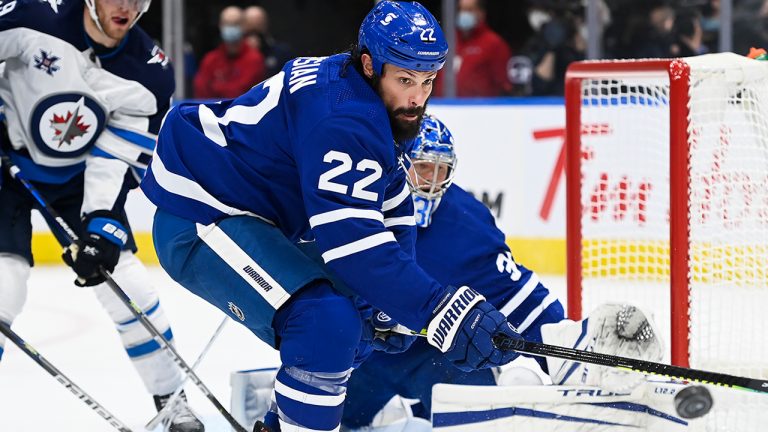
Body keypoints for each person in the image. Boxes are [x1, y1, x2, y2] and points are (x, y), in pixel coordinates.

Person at [141, 2, 524, 431]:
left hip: (247, 213)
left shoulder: (359, 92)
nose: (417, 97)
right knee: (327, 323)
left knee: (355, 324)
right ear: (369, 64)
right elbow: (355, 250)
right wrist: (438, 310)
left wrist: (392, 305)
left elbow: (393, 202)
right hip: (201, 211)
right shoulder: (344, 119)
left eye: (428, 81)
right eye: (405, 80)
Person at [339, 115, 665, 431]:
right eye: (423, 169)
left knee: (482, 408)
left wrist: (570, 345)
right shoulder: (349, 204)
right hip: (358, 355)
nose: (431, 183)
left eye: (441, 172)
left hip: (431, 358)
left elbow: (519, 301)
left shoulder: (465, 224)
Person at [0, 1, 203, 431]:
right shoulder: (33, 15)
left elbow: (115, 157)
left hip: (77, 181)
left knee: (129, 285)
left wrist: (100, 224)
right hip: (5, 165)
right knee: (3, 284)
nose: (127, 7)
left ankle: (172, 401)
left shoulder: (148, 73)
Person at [434, 0, 513, 97]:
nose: (463, 14)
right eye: (460, 10)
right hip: (444, 106)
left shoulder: (494, 44)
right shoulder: (448, 41)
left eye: (469, 10)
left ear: (481, 13)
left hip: (479, 108)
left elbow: (504, 85)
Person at [193, 5, 265, 99]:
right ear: (220, 26)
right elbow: (200, 90)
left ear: (244, 26)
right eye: (227, 24)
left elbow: (240, 91)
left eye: (235, 24)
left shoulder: (255, 59)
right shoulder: (210, 59)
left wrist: (216, 87)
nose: (231, 28)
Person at [242, 5, 293, 79]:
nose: (254, 37)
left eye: (258, 25)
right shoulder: (233, 54)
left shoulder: (281, 52)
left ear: (265, 24)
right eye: (250, 30)